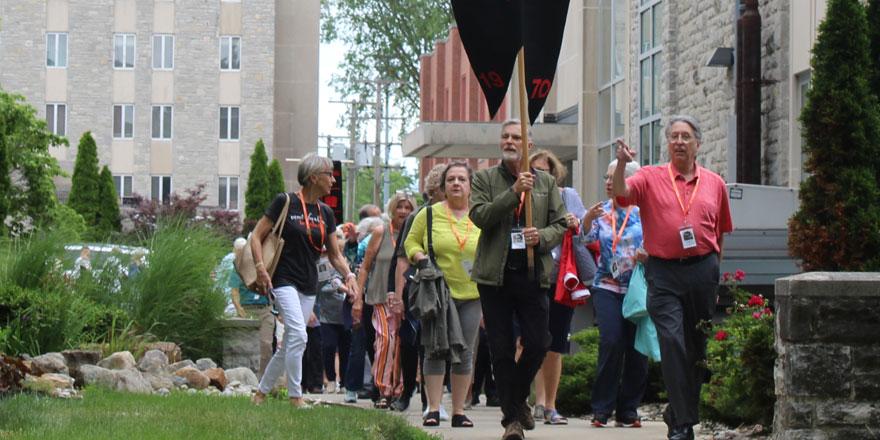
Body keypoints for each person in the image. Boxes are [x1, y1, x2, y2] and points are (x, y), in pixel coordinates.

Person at [613, 115, 733, 440]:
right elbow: (622, 195)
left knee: (697, 347)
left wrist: (714, 279)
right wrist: (623, 164)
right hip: (663, 272)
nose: (679, 141)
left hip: (703, 271)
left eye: (685, 136)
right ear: (668, 144)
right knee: (671, 340)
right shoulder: (650, 177)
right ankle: (683, 424)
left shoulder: (715, 183)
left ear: (698, 143)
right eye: (674, 136)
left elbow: (719, 234)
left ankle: (676, 411)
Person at [469, 119, 568, 440]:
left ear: (529, 143)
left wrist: (540, 236)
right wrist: (513, 193)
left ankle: (516, 398)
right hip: (494, 276)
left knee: (539, 342)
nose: (510, 141)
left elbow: (561, 223)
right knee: (500, 348)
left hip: (531, 273)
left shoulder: (546, 183)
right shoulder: (485, 178)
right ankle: (512, 420)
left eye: (517, 137)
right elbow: (480, 216)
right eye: (506, 137)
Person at [250, 153, 360, 408]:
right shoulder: (285, 202)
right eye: (328, 175)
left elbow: (334, 254)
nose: (332, 180)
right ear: (313, 177)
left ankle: (261, 393)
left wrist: (350, 275)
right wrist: (260, 268)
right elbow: (257, 236)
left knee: (291, 341)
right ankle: (295, 397)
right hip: (283, 278)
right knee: (299, 334)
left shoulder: (325, 213)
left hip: (309, 284)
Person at [406, 162, 482, 428]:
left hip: (472, 293)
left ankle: (459, 410)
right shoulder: (428, 214)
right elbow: (410, 242)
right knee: (435, 348)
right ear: (443, 186)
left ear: (470, 185)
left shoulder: (481, 214)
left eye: (462, 179)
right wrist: (419, 256)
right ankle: (434, 409)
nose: (456, 183)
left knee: (465, 352)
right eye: (451, 179)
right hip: (437, 292)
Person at [584, 159, 649, 428]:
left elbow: (658, 244)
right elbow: (586, 240)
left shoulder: (646, 213)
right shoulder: (602, 212)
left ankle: (629, 410)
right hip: (606, 286)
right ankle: (601, 409)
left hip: (636, 289)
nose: (610, 182)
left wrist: (648, 255)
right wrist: (586, 221)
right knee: (611, 342)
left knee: (637, 350)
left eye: (616, 177)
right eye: (607, 177)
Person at [528, 149, 583, 426]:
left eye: (546, 171)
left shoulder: (568, 196)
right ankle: (534, 400)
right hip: (530, 277)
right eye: (535, 170)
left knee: (556, 342)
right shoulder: (523, 197)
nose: (541, 175)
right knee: (530, 340)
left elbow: (584, 230)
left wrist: (578, 222)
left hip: (561, 278)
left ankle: (550, 404)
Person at [392, 163, 446, 414]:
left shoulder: (458, 216)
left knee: (434, 343)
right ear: (433, 191)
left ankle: (430, 399)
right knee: (411, 341)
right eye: (442, 189)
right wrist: (399, 296)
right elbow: (402, 258)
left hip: (445, 287)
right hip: (417, 287)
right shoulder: (418, 216)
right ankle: (406, 391)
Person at [356, 192, 416, 408]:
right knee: (385, 341)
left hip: (406, 299)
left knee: (401, 344)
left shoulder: (414, 234)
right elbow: (365, 266)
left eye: (408, 208)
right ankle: (382, 388)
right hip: (379, 296)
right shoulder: (381, 232)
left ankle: (399, 390)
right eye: (400, 207)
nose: (403, 212)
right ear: (392, 209)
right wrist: (357, 298)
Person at [228, 237, 274, 376]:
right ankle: (247, 376)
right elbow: (234, 290)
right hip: (247, 309)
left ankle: (263, 378)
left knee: (266, 344)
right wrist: (239, 309)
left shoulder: (266, 263)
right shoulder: (238, 267)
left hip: (265, 308)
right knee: (246, 346)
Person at [316, 229, 352, 394]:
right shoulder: (321, 263)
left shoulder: (348, 263)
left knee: (346, 349)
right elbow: (328, 284)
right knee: (329, 347)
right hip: (326, 314)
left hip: (346, 314)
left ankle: (344, 382)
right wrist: (346, 289)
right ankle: (330, 379)